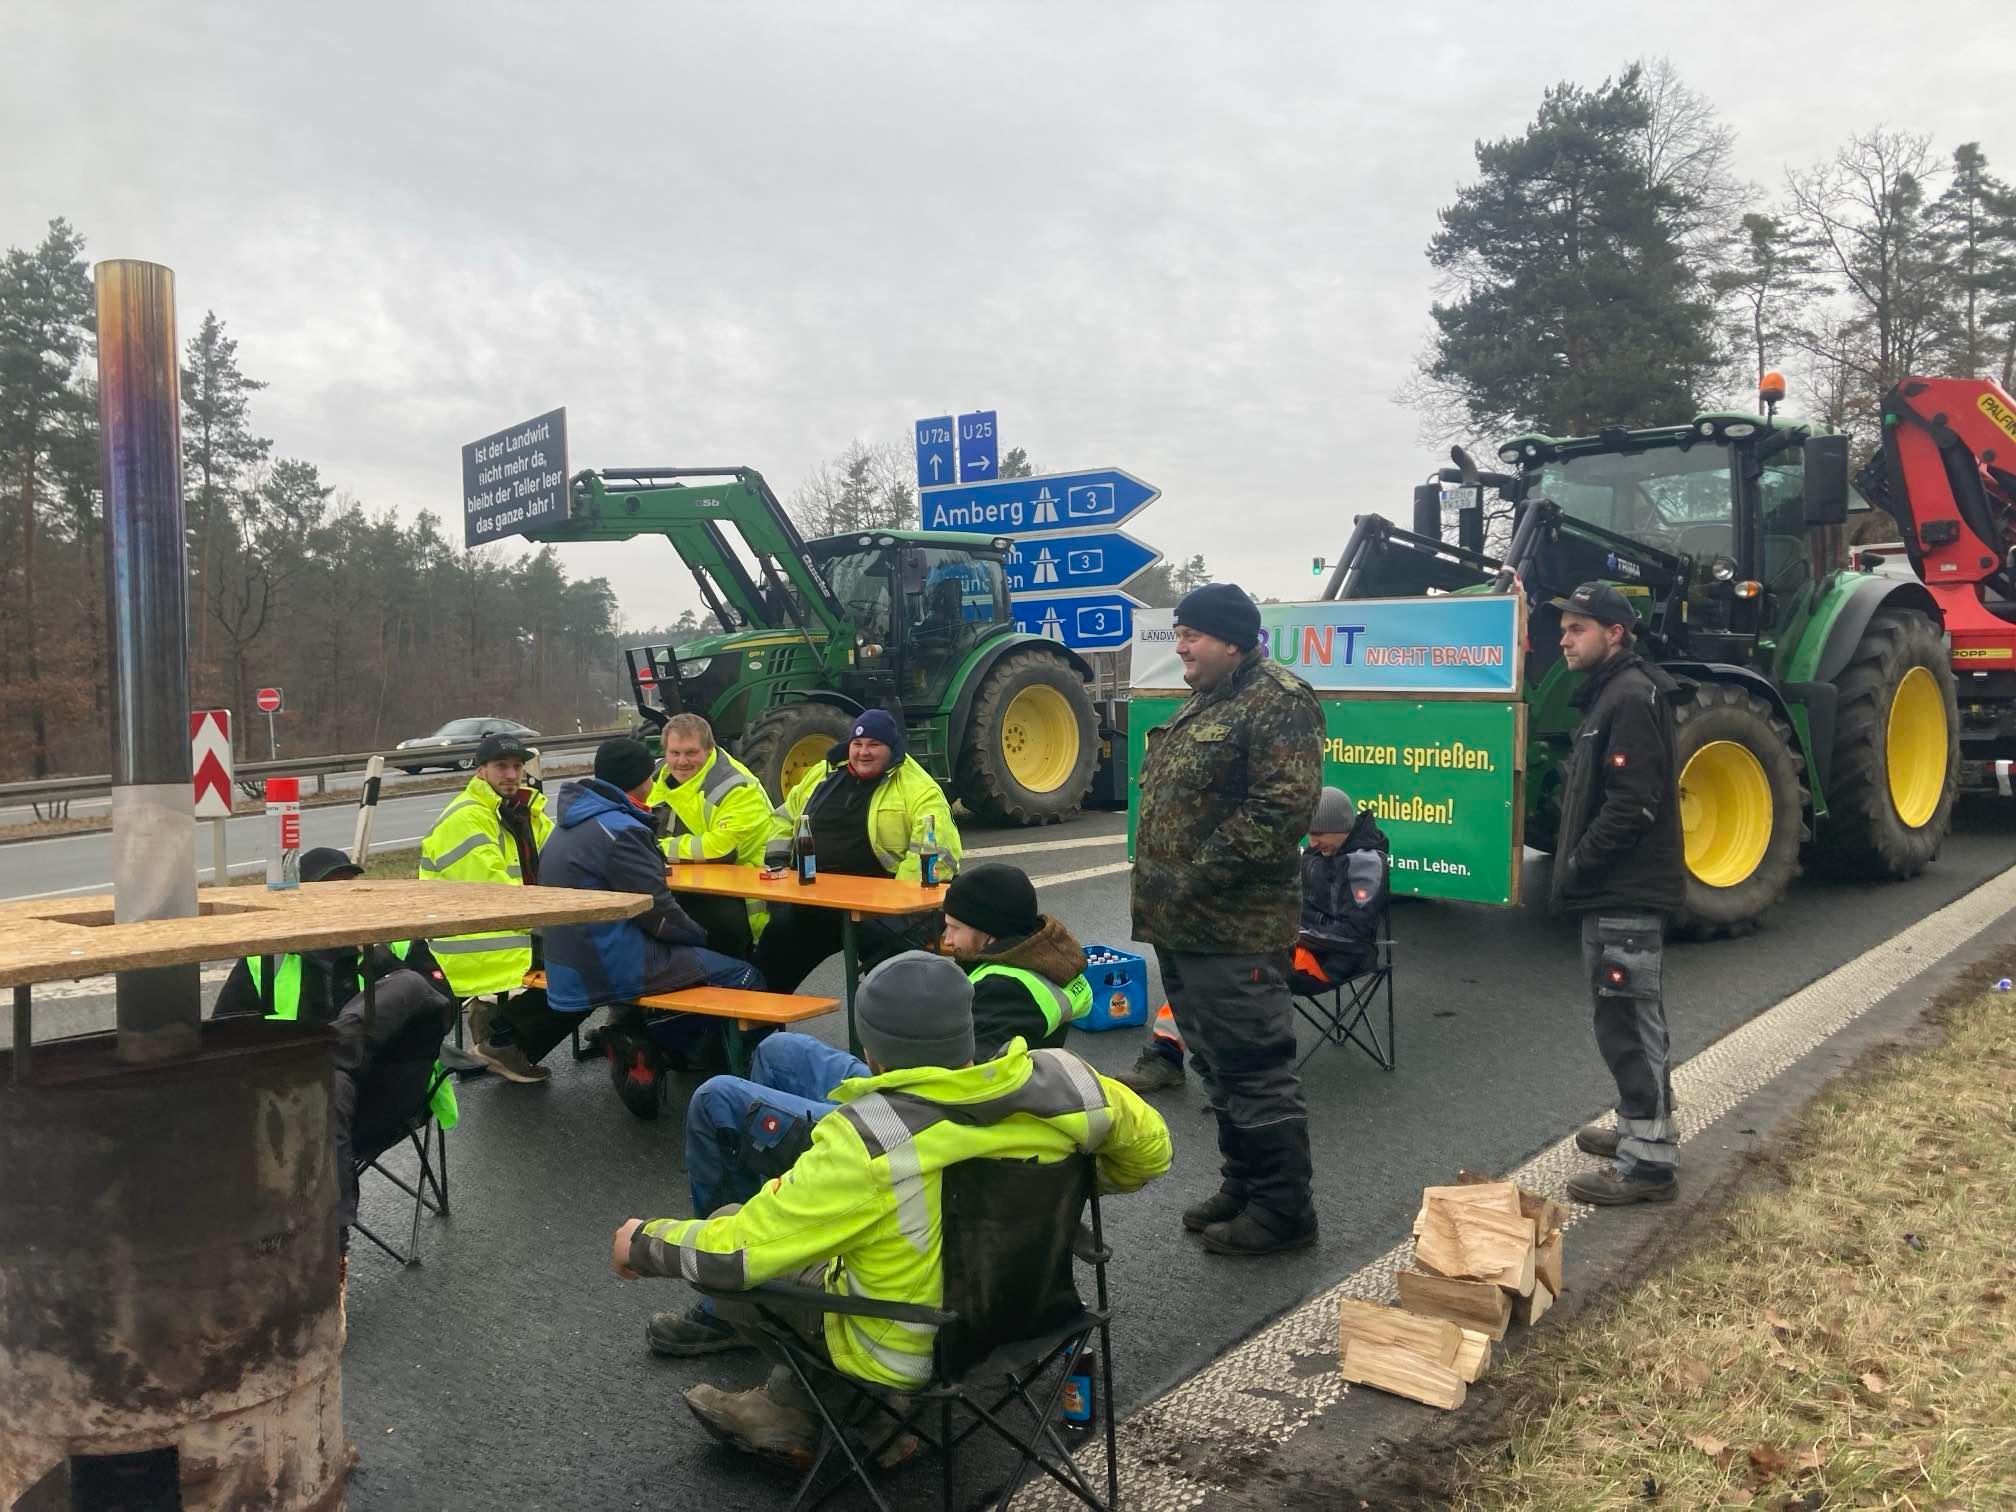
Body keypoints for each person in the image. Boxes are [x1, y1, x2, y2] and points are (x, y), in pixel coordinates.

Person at [609, 951, 1172, 1465]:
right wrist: (1059, 1188)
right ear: (967, 1030)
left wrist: (642, 1242)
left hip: (904, 1354)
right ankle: (831, 1412)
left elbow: (734, 1257)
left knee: (728, 1227)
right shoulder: (1075, 1085)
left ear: (870, 1053)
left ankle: (857, 1409)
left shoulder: (870, 1139)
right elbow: (1152, 1155)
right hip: (1031, 1318)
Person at [646, 862, 1092, 1358]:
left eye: (955, 927)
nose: (944, 935)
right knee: (777, 1051)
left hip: (915, 1122)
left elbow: (945, 1091)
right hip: (928, 1096)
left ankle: (724, 1306)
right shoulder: (1031, 969)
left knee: (716, 1099)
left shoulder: (1006, 993)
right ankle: (788, 1209)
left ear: (989, 934)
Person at [1131, 582, 1323, 1257]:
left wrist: (1196, 874)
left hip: (1233, 924)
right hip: (1182, 925)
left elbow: (1281, 809)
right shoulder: (1207, 700)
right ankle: (1244, 1184)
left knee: (1254, 1066)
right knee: (1216, 1064)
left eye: (1192, 634)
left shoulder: (1278, 700)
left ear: (1233, 640)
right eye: (1178, 632)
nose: (1178, 644)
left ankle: (1283, 1211)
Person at [540, 737, 768, 1119]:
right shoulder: (622, 830)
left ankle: (651, 1036)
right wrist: (699, 937)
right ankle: (668, 1050)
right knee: (745, 976)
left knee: (702, 963)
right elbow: (659, 912)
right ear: (642, 780)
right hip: (612, 962)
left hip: (566, 958)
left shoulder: (567, 824)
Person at [1549, 582, 1686, 1206]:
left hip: (1623, 890)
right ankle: (1640, 1128)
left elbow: (1633, 805)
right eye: (1565, 627)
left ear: (1615, 633)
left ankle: (1649, 1163)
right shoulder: (1614, 692)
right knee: (1620, 1017)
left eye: (1578, 628)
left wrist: (1578, 864)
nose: (1564, 638)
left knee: (1631, 1020)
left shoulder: (1630, 695)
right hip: (1613, 890)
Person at [751, 708, 961, 992]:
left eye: (874, 745)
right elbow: (785, 817)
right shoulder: (822, 774)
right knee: (772, 952)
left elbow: (939, 852)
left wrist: (898, 904)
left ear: (892, 749)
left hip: (880, 908)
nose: (863, 752)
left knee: (892, 975)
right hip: (818, 900)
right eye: (857, 744)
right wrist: (779, 866)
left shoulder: (919, 789)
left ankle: (889, 1028)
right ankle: (753, 1030)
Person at [417, 730, 555, 1084]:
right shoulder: (466, 818)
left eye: (516, 766)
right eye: (501, 766)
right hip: (479, 940)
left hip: (511, 929)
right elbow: (497, 894)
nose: (510, 774)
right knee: (589, 972)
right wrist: (557, 920)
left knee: (596, 955)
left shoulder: (522, 811)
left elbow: (561, 856)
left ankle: (495, 1019)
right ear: (481, 771)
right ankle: (504, 1040)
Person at [213, 847, 444, 1023]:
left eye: (349, 890)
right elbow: (225, 1034)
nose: (342, 901)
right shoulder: (267, 958)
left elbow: (444, 1010)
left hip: (389, 1073)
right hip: (302, 1078)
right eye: (329, 892)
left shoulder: (396, 944)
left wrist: (383, 961)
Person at [644, 712, 773, 959]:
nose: (681, 761)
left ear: (709, 749)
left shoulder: (736, 786)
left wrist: (658, 848)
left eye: (691, 753)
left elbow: (722, 849)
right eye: (674, 753)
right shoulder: (659, 775)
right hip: (685, 886)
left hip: (740, 896)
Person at [1287, 787, 1391, 994]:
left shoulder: (1365, 863)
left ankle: (1264, 1026)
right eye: (1309, 834)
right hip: (1305, 944)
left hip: (1335, 960)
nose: (1312, 842)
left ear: (1341, 828)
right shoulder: (1320, 850)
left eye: (1317, 835)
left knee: (1249, 970)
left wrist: (1289, 935)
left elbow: (1353, 933)